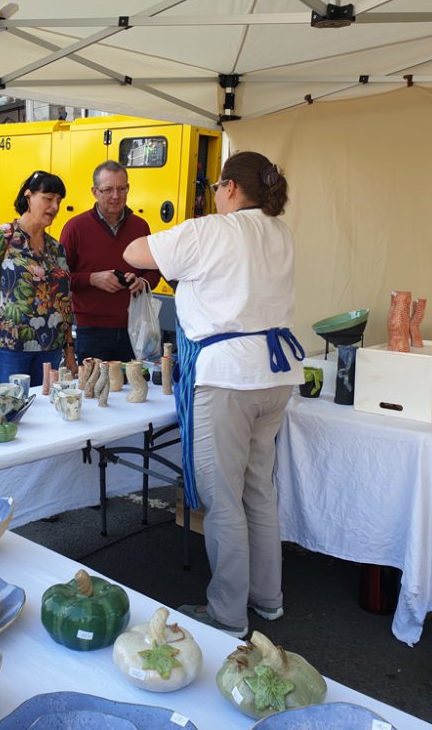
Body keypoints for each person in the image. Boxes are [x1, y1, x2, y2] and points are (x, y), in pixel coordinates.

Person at [123, 151, 303, 638]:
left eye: (216, 188)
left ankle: (227, 615)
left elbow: (135, 253)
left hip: (228, 378)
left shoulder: (211, 230)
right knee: (259, 490)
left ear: (228, 188)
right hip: (278, 374)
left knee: (223, 501)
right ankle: (269, 600)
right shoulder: (280, 232)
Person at [0, 170, 76, 383]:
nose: (54, 207)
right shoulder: (1, 237)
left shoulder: (56, 249)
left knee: (46, 412)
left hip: (50, 351)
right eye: (48, 199)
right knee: (11, 410)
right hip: (10, 351)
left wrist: (70, 353)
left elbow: (64, 305)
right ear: (28, 196)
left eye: (59, 201)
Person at [59, 161, 161, 363]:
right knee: (93, 392)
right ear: (95, 192)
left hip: (134, 329)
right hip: (92, 330)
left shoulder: (140, 227)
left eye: (121, 188)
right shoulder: (75, 228)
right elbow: (60, 280)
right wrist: (92, 279)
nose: (116, 196)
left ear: (128, 188)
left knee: (134, 390)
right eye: (108, 190)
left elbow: (154, 271)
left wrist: (142, 283)